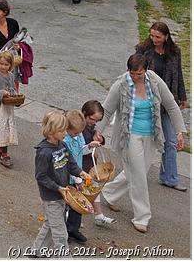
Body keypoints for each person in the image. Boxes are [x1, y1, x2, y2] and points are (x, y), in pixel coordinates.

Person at [100, 53, 187, 233]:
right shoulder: (121, 84)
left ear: (146, 71)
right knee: (139, 176)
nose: (135, 77)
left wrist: (180, 131)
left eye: (139, 74)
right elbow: (107, 111)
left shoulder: (154, 81)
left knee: (135, 172)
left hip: (151, 135)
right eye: (132, 73)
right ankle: (142, 216)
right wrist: (97, 134)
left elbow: (171, 105)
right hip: (130, 136)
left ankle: (109, 194)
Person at [135, 21, 187, 191]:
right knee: (143, 141)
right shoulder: (143, 50)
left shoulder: (174, 52)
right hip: (147, 102)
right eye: (152, 35)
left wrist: (182, 97)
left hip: (166, 101)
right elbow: (135, 73)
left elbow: (179, 74)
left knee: (171, 141)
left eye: (158, 36)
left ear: (166, 36)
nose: (154, 39)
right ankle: (133, 173)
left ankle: (169, 178)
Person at [30, 111, 91, 255]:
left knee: (51, 225)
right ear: (51, 131)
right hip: (51, 197)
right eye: (62, 130)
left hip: (62, 194)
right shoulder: (44, 152)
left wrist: (81, 172)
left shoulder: (62, 145)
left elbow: (70, 164)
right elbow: (41, 176)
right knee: (60, 233)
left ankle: (37, 251)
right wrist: (57, 188)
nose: (65, 132)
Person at [80, 100, 115, 227]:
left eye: (96, 121)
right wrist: (90, 148)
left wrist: (100, 139)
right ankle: (72, 218)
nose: (94, 123)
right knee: (80, 190)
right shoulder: (78, 128)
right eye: (92, 119)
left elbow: (92, 139)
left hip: (89, 163)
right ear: (84, 113)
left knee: (94, 188)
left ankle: (99, 215)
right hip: (79, 164)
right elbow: (77, 149)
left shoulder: (90, 126)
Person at [63, 109, 91, 243]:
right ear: (66, 128)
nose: (78, 135)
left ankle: (73, 229)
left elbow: (81, 150)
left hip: (77, 175)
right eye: (75, 133)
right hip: (67, 177)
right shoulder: (64, 141)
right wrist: (78, 180)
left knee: (77, 205)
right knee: (64, 205)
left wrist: (90, 146)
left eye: (80, 132)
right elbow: (68, 163)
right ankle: (62, 231)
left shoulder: (78, 135)